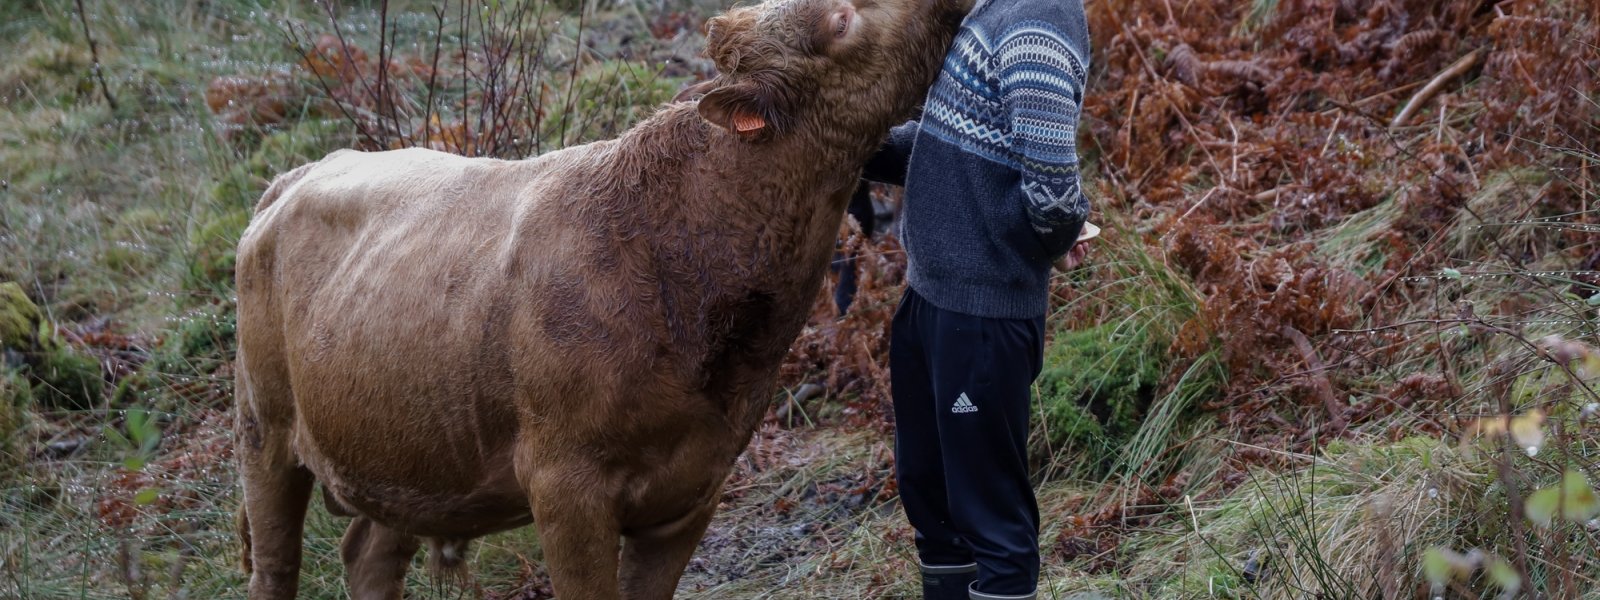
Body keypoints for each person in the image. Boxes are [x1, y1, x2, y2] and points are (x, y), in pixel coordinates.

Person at [859, 0, 1092, 596]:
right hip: (932, 298)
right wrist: (848, 140)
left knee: (990, 518)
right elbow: (952, 146)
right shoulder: (993, 10)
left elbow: (1055, 198)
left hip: (982, 316)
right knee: (931, 499)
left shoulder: (1038, 18)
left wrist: (1051, 238)